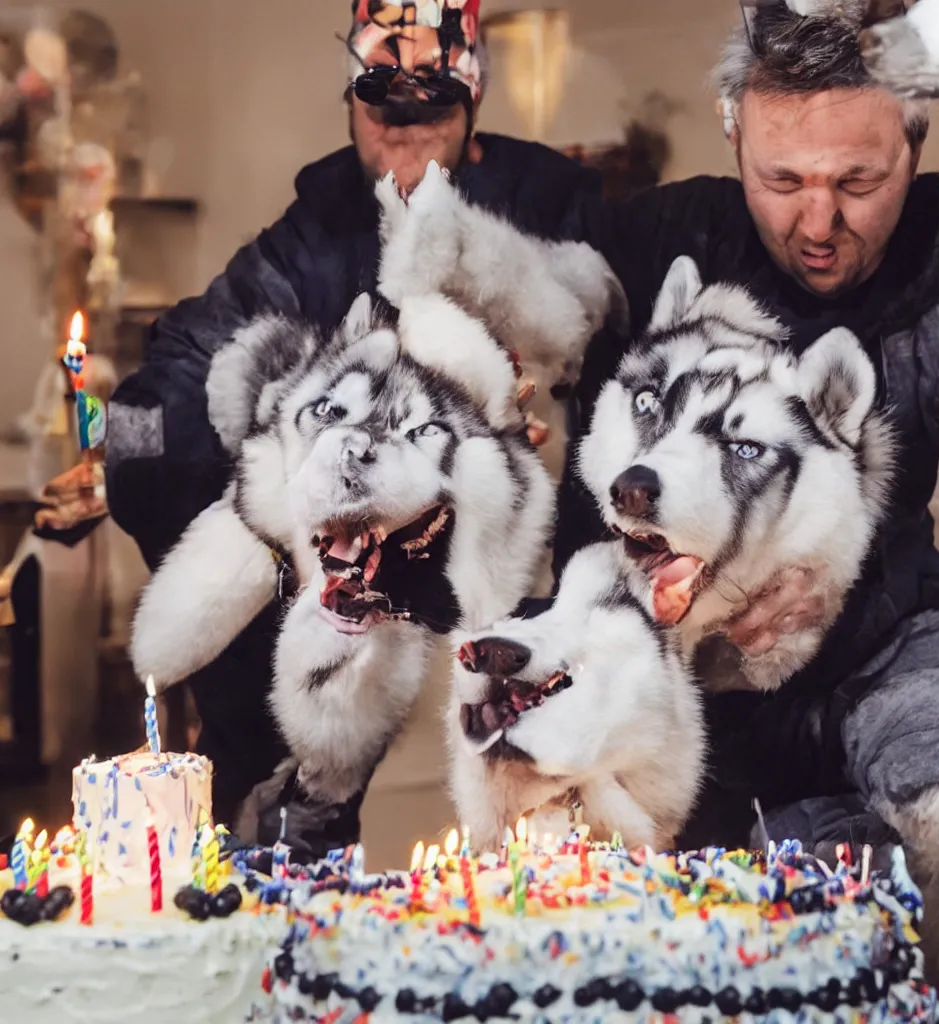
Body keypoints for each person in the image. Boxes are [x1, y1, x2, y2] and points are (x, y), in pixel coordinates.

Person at [545, 4, 939, 1019]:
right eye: (783, 181)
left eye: (858, 182)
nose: (818, 223)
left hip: (887, 645)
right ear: (733, 128)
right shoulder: (662, 239)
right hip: (687, 686)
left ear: (915, 136)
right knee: (719, 933)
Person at [105, 0, 606, 839]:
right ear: (349, 106)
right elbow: (185, 359)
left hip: (518, 581)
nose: (405, 141)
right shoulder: (319, 224)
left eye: (433, 112)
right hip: (342, 573)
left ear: (472, 108)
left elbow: (611, 335)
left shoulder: (556, 203)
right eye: (382, 112)